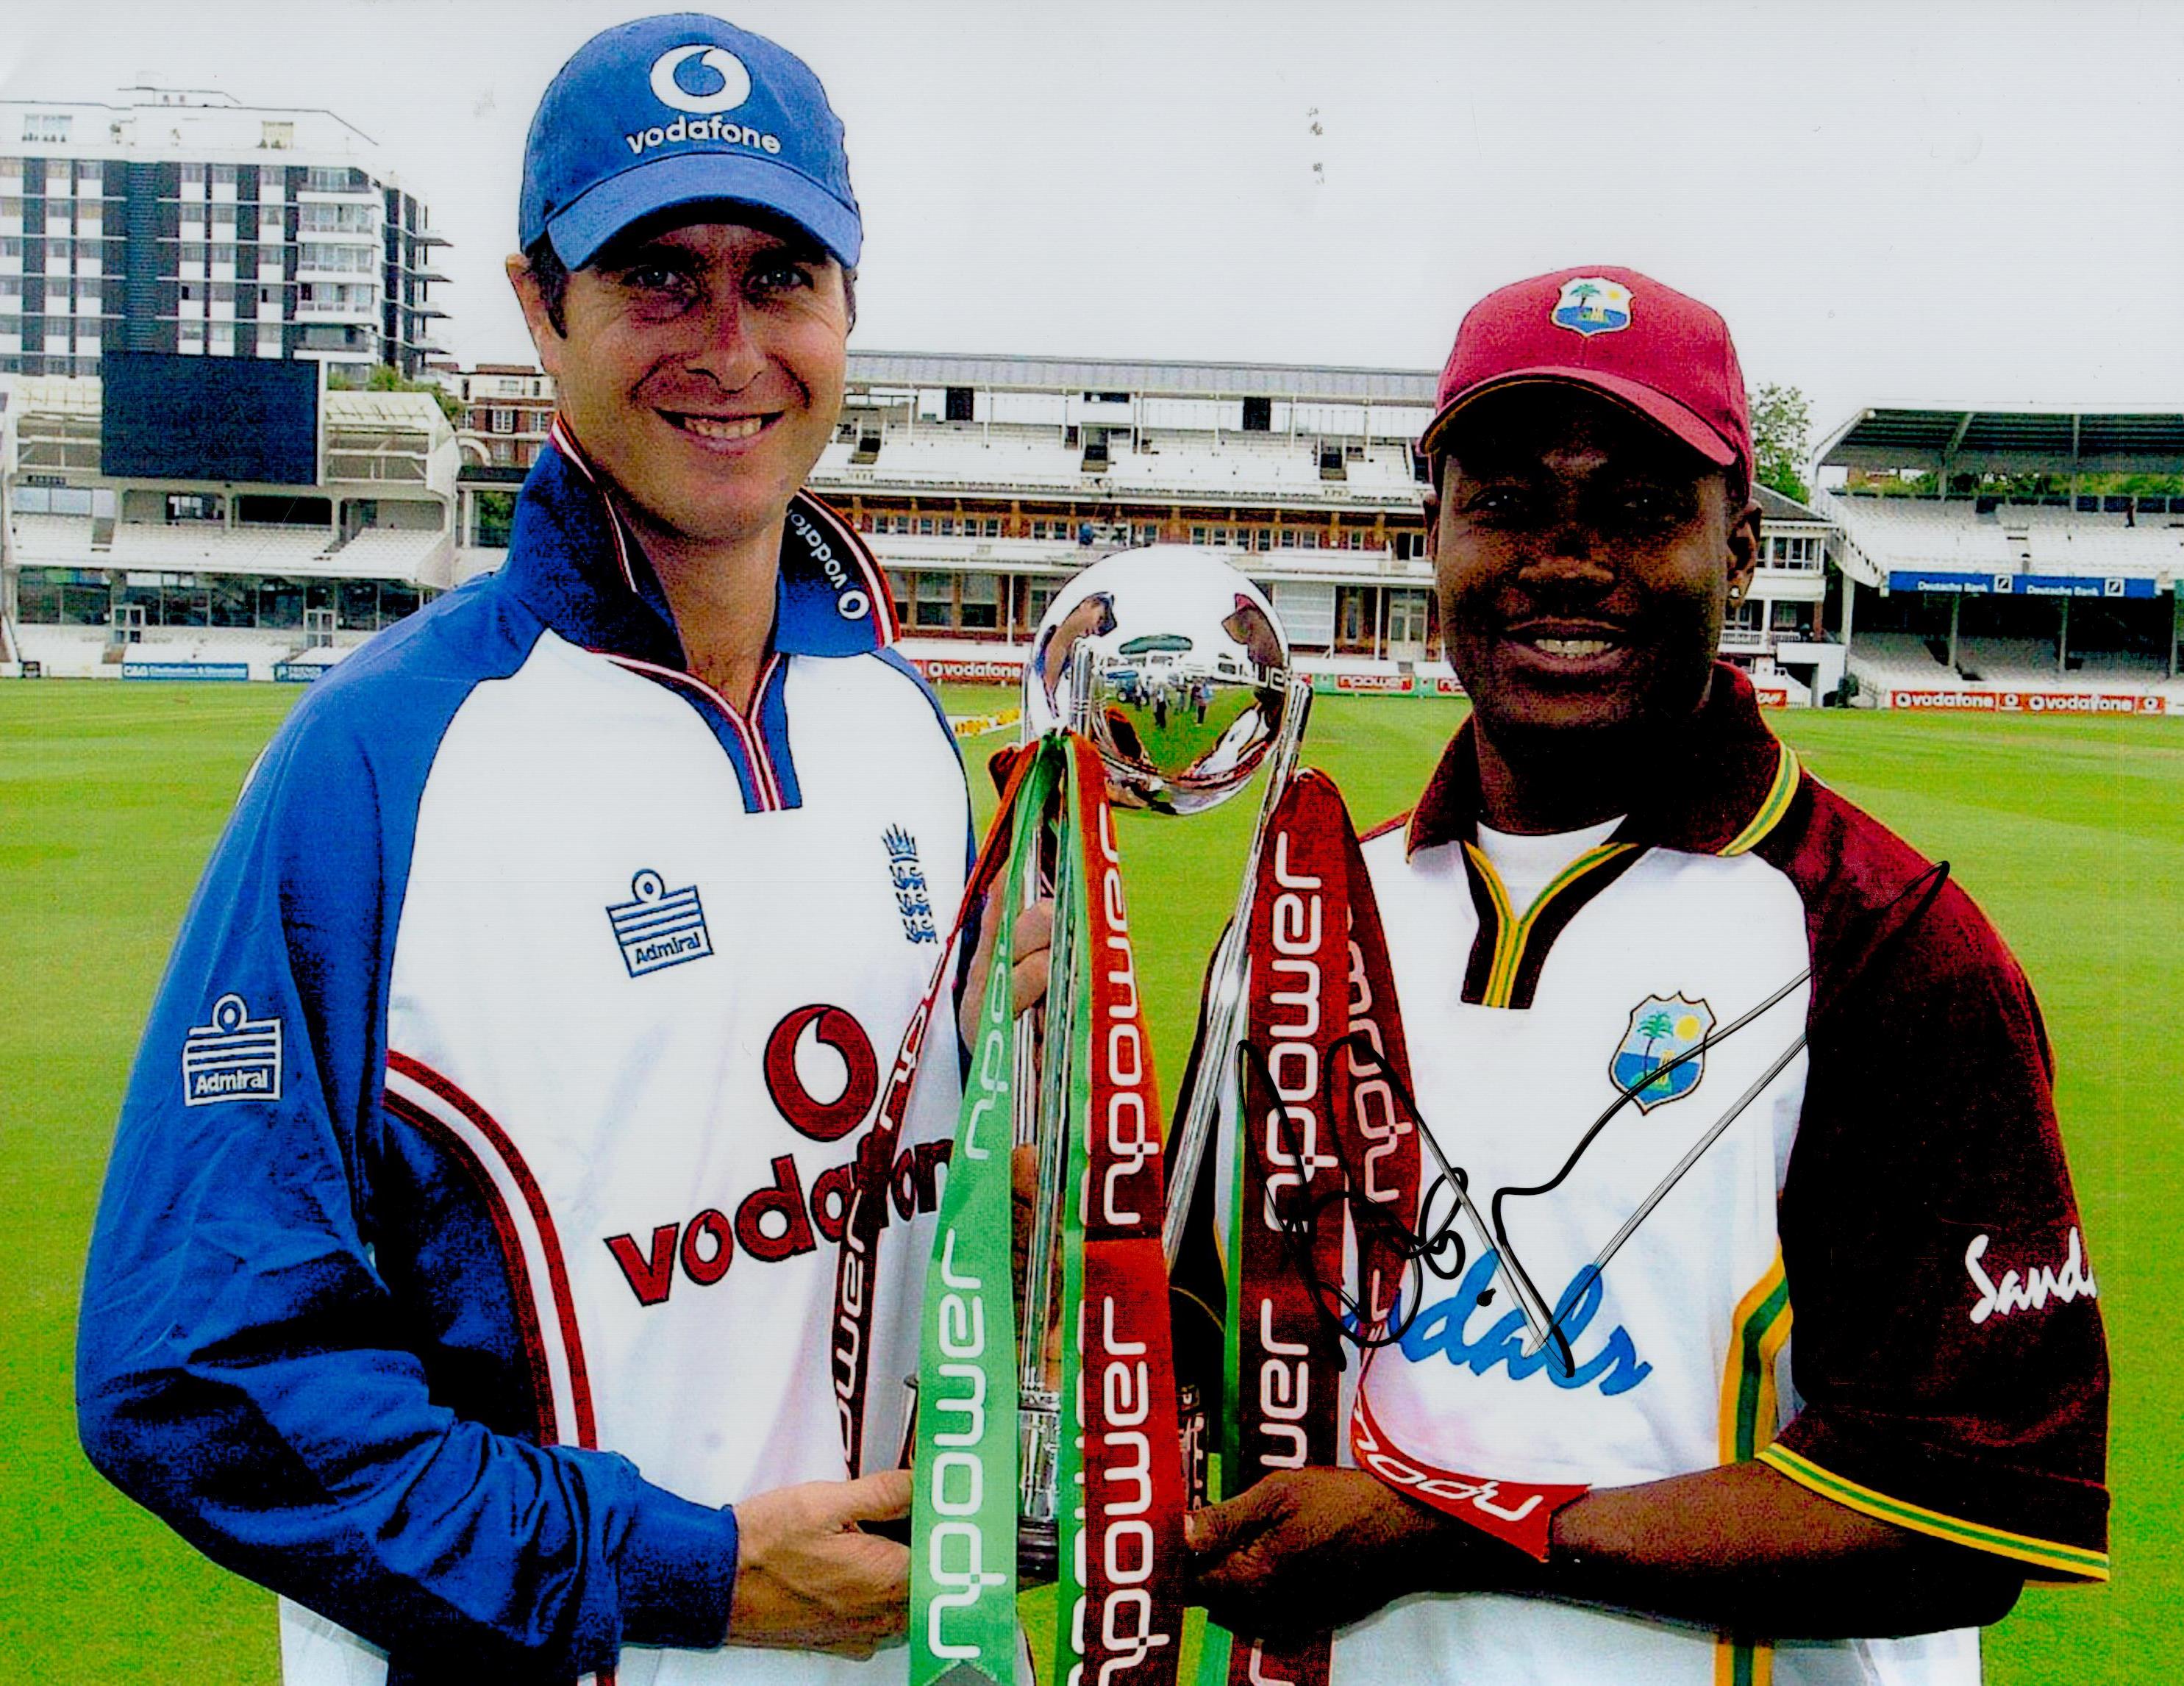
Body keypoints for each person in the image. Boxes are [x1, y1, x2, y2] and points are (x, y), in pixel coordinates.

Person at [76, 16, 1032, 1683]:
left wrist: (1020, 1158)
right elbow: (193, 1371)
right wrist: (692, 1573)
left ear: (850, 307)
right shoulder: (376, 763)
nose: (729, 346)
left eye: (782, 274)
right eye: (659, 276)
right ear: (541, 304)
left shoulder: (902, 725)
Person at [1186, 267, 2110, 1683]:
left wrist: (1454, 1532)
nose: (1563, 561)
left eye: (1636, 508)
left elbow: (1974, 1514)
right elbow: (1211, 1353)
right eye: (1503, 503)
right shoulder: (1313, 910)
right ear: (1425, 534)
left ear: (1740, 546)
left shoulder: (1881, 937)